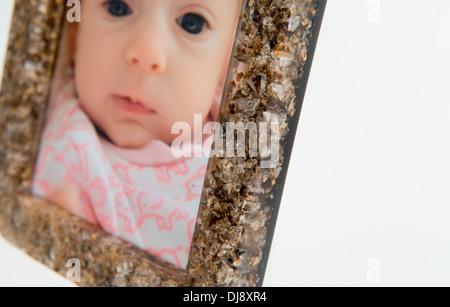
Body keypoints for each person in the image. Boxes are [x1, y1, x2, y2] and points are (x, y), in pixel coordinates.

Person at [31, 0, 242, 268]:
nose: (146, 53)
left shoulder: (238, 161)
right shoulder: (52, 132)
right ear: (75, 29)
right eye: (118, 7)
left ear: (226, 63)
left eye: (192, 23)